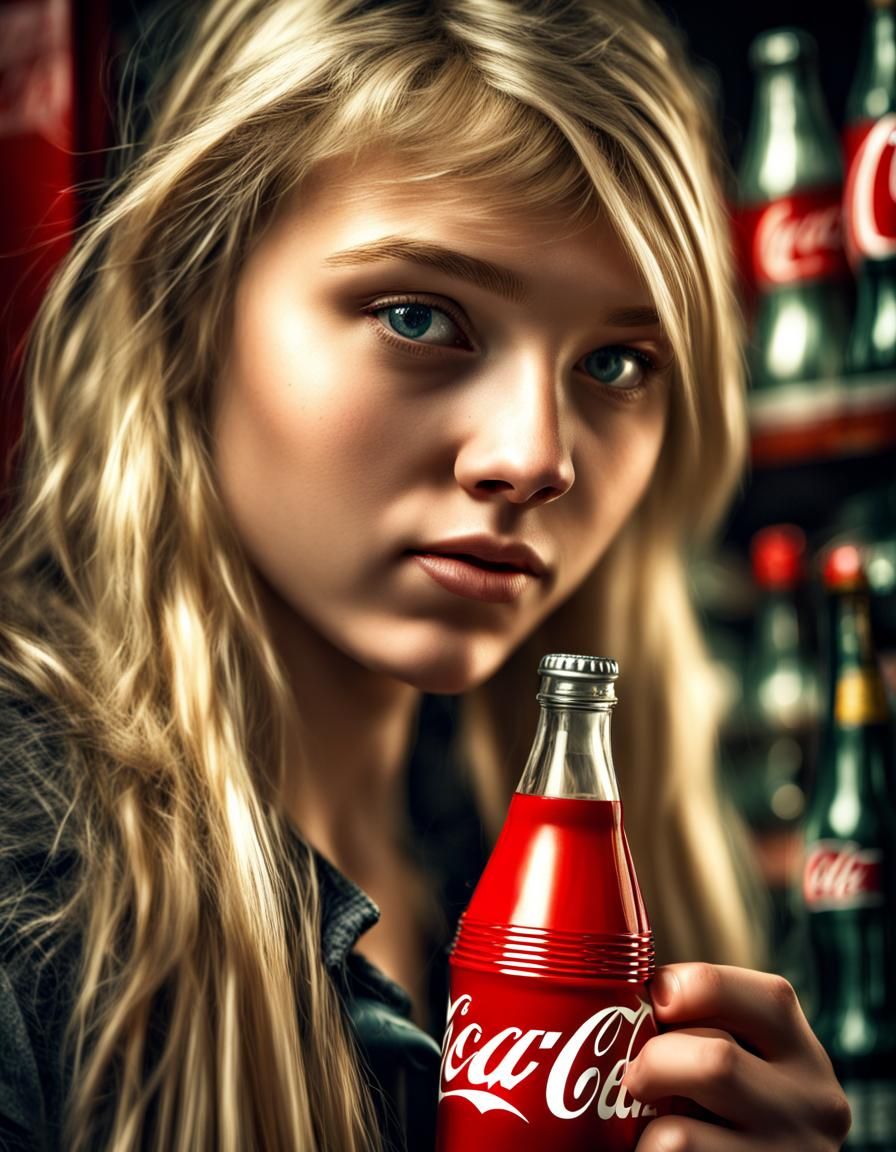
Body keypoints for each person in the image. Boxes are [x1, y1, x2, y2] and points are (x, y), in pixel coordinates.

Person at [0, 0, 852, 1149]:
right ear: (189, 311)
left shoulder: (643, 863)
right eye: (418, 316)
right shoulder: (26, 891)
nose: (534, 458)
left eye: (614, 360)